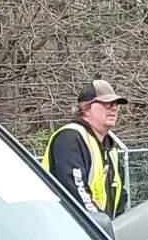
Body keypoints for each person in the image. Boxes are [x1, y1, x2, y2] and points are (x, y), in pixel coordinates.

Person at [47, 78, 129, 217]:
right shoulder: (70, 138)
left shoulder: (110, 149)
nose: (114, 108)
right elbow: (76, 192)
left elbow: (120, 199)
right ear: (85, 108)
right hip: (69, 230)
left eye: (116, 104)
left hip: (96, 232)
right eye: (106, 104)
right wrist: (101, 226)